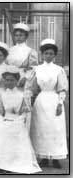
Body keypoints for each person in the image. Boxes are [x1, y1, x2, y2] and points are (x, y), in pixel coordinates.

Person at [0, 66, 41, 174]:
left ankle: (14, 162)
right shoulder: (2, 95)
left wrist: (19, 119)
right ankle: (1, 163)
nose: (9, 82)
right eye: (7, 80)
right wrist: (1, 119)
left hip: (17, 121)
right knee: (1, 130)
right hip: (5, 120)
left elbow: (24, 112)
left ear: (16, 81)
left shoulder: (21, 95)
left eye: (12, 80)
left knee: (15, 131)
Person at [25, 39, 68, 169]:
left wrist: (60, 103)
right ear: (42, 54)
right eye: (46, 53)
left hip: (54, 101)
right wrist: (27, 101)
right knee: (40, 129)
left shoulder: (58, 70)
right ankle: (43, 156)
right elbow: (30, 88)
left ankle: (55, 158)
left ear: (54, 55)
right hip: (41, 101)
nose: (48, 56)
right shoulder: (37, 69)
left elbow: (62, 88)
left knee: (55, 129)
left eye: (51, 53)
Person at [6, 22, 38, 88]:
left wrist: (25, 78)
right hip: (10, 79)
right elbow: (6, 65)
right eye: (16, 35)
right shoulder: (10, 50)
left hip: (24, 79)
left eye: (21, 35)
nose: (18, 37)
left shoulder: (30, 51)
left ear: (26, 37)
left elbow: (33, 68)